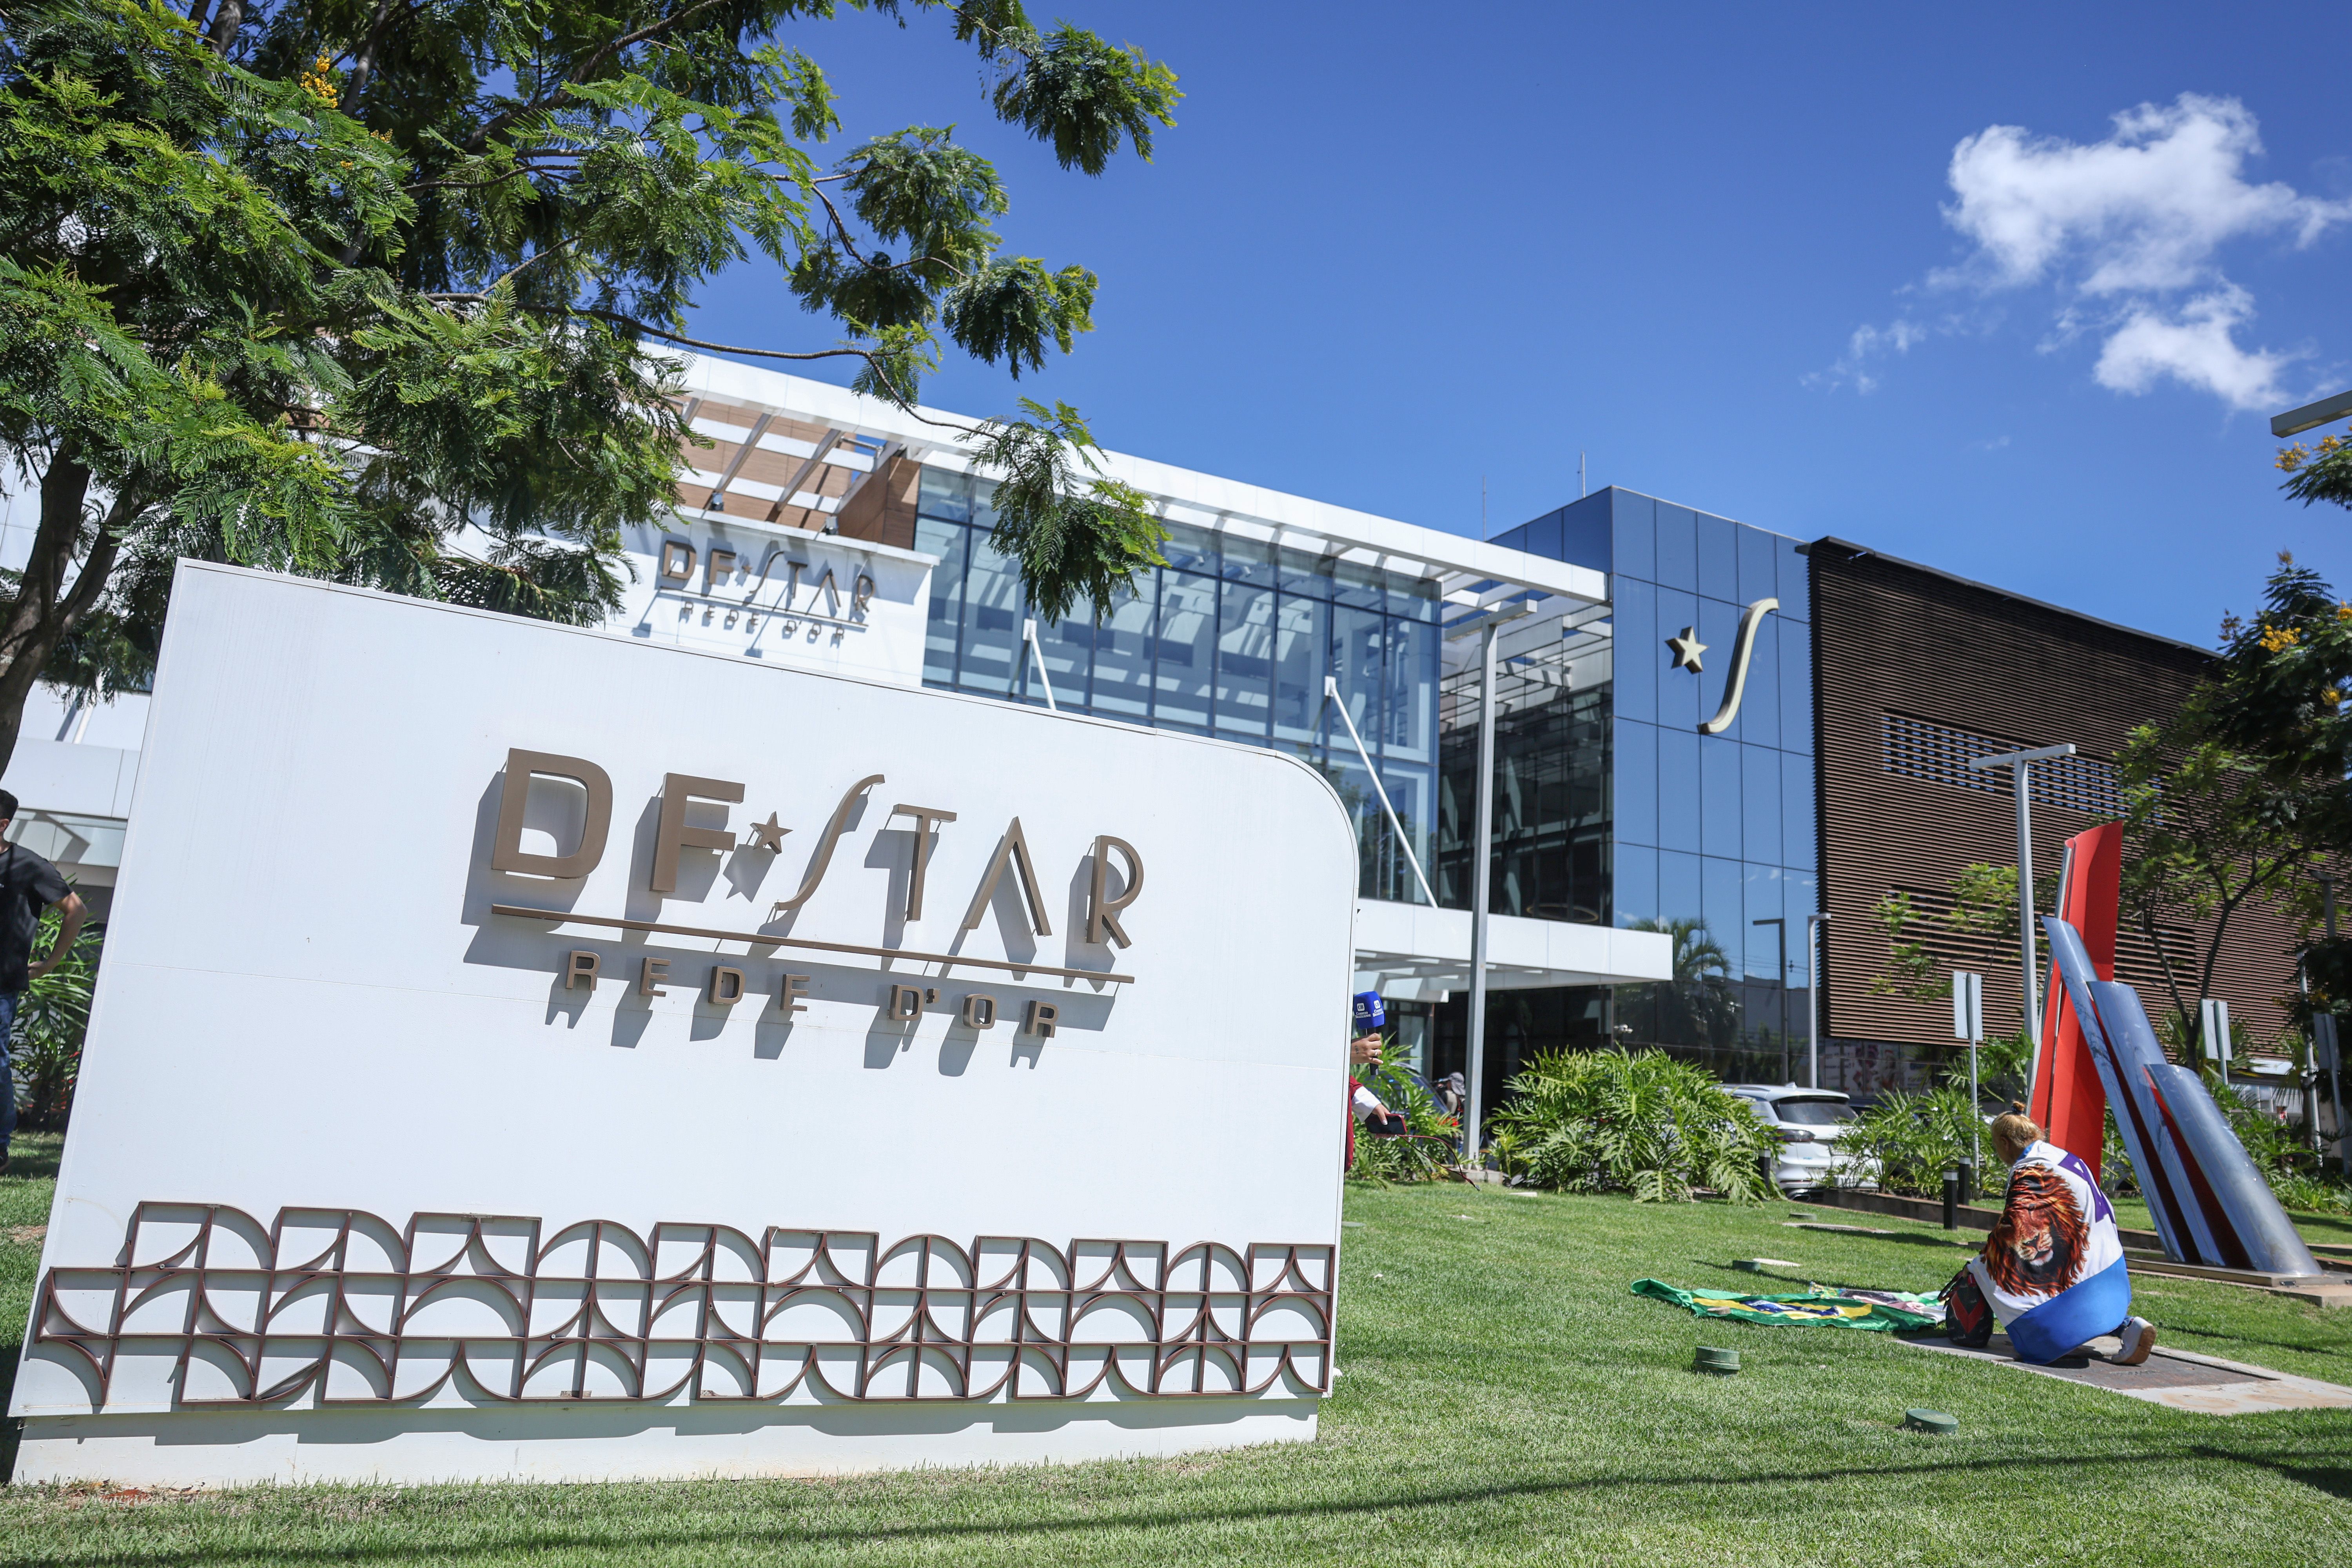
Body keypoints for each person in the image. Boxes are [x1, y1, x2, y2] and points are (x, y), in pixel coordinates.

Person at [1944, 1111, 2155, 1366]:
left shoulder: (2029, 1167)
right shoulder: (2062, 1157)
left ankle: (2042, 1334)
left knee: (1981, 1271)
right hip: (2110, 1268)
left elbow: (2014, 1228)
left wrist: (1979, 1264)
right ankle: (2128, 1326)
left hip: (2076, 1270)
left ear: (2004, 1142)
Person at [0, 789, 85, 1174]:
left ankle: (0, 1145)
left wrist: (51, 962)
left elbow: (76, 910)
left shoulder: (29, 866)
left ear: (2, 824)